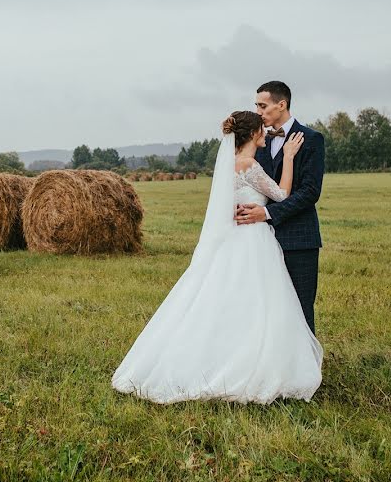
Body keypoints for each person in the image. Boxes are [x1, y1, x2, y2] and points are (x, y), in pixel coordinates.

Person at [111, 111, 322, 404]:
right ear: (253, 135)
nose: (265, 131)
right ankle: (252, 363)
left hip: (232, 241)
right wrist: (288, 158)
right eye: (261, 129)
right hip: (253, 241)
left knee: (227, 302)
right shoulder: (250, 166)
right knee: (259, 304)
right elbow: (283, 195)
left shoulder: (229, 166)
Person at [236, 81, 325, 334]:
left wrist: (266, 213)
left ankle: (306, 369)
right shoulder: (256, 142)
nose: (258, 111)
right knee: (266, 307)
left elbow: (310, 192)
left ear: (281, 104)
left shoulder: (311, 139)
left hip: (299, 240)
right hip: (259, 243)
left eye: (262, 106)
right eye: (256, 106)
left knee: (300, 307)